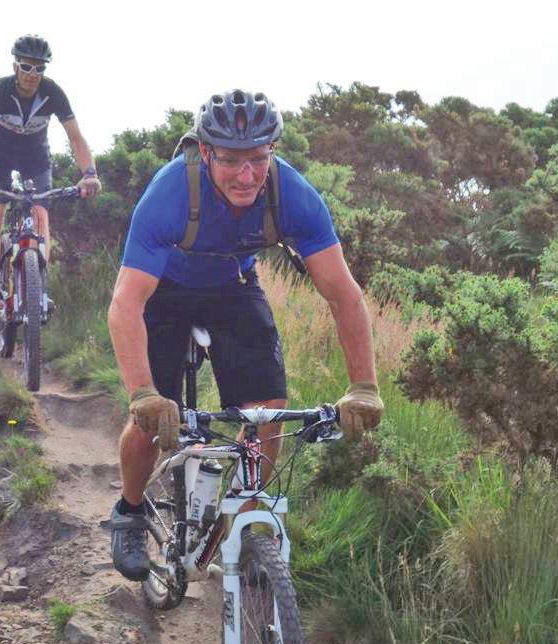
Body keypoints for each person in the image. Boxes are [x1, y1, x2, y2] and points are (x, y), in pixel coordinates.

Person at [106, 90, 385, 581]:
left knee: (266, 410)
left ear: (272, 151)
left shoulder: (291, 194)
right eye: (231, 160)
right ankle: (129, 512)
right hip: (163, 291)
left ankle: (244, 524)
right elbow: (126, 303)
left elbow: (344, 295)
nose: (247, 175)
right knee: (150, 421)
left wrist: (364, 385)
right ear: (206, 152)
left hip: (232, 285)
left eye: (258, 158)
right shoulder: (171, 193)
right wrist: (143, 393)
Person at [0, 34, 101, 297]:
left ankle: (39, 287)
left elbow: (76, 138)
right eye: (26, 67)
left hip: (35, 158)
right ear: (15, 66)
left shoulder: (53, 93)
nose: (32, 74)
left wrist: (89, 173)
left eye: (39, 68)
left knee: (40, 216)